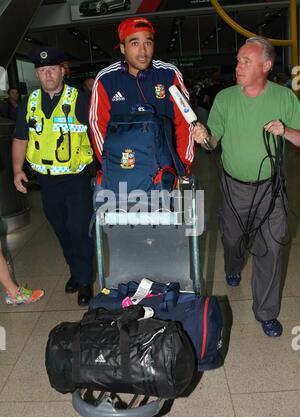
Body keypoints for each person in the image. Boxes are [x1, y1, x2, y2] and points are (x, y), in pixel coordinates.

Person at [192, 36, 300, 338]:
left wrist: (286, 130)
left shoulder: (284, 98)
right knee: (232, 238)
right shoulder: (225, 98)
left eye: (246, 61)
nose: (238, 66)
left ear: (265, 66)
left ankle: (266, 312)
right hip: (233, 187)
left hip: (272, 188)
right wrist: (204, 137)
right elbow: (213, 142)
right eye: (238, 60)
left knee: (274, 245)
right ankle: (234, 264)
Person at [12, 46, 94, 306]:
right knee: (61, 230)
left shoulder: (80, 98)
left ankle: (84, 280)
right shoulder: (30, 102)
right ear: (37, 73)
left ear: (62, 71)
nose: (47, 75)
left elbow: (98, 135)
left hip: (77, 178)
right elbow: (20, 139)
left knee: (78, 229)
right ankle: (75, 270)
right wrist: (17, 170)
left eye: (52, 70)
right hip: (47, 181)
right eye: (42, 70)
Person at [89, 16, 194, 177]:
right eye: (135, 43)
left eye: (148, 43)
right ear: (123, 48)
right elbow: (98, 127)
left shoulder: (169, 74)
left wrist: (182, 165)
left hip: (166, 170)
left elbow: (185, 122)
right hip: (124, 172)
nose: (143, 51)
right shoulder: (106, 80)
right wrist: (112, 167)